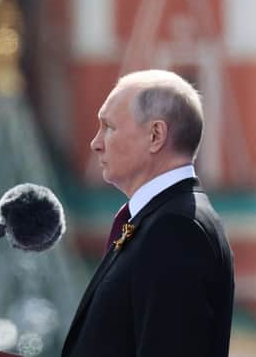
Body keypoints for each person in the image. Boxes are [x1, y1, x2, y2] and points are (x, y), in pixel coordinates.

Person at [62, 70, 234, 357]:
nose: (96, 142)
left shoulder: (177, 229)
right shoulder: (158, 220)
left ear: (155, 135)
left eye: (108, 127)